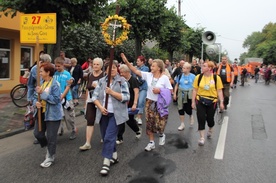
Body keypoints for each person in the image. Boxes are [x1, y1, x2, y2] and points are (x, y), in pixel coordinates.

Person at [121, 53, 173, 152]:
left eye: (153, 66)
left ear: (159, 68)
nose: (151, 67)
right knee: (149, 123)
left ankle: (162, 134)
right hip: (149, 102)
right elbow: (135, 70)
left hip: (160, 104)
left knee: (160, 124)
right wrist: (126, 62)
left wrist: (160, 91)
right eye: (151, 65)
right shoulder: (148, 75)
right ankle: (151, 142)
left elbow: (170, 91)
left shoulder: (164, 78)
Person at [92, 60, 130, 176]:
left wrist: (112, 93)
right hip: (104, 113)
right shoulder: (101, 81)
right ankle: (114, 156)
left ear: (117, 69)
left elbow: (126, 97)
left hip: (116, 115)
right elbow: (94, 97)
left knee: (109, 137)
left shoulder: (121, 81)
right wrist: (100, 107)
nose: (112, 70)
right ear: (106, 70)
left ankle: (106, 162)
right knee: (105, 136)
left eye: (114, 68)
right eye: (109, 68)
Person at [32, 62, 62, 168]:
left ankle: (50, 156)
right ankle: (49, 147)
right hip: (41, 113)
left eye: (41, 71)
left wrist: (43, 94)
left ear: (48, 72)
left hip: (53, 115)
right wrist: (36, 102)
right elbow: (35, 96)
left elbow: (56, 100)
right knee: (38, 134)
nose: (39, 73)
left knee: (51, 137)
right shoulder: (41, 83)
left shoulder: (55, 84)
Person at [192, 61, 224, 146]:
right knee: (201, 118)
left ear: (209, 68)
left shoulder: (216, 78)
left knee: (210, 119)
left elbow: (219, 91)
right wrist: (193, 102)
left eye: (204, 66)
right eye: (202, 66)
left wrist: (221, 102)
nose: (202, 67)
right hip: (200, 100)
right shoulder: (198, 77)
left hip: (212, 101)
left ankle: (210, 129)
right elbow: (195, 89)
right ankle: (202, 137)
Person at [79, 58, 105, 151]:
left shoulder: (104, 75)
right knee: (90, 120)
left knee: (102, 119)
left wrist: (97, 86)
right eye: (94, 64)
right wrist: (86, 102)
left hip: (101, 100)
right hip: (91, 100)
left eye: (98, 64)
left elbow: (107, 88)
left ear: (101, 66)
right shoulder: (90, 75)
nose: (95, 66)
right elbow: (87, 89)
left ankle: (105, 137)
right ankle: (87, 143)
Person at [27, 53, 51, 145]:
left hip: (48, 97)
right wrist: (30, 97)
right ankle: (40, 135)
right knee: (38, 117)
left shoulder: (51, 68)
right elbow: (30, 84)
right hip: (37, 97)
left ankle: (50, 136)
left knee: (49, 117)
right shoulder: (34, 70)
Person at [116, 64, 142, 144]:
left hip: (131, 103)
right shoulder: (120, 80)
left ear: (127, 72)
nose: (121, 74)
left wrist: (135, 104)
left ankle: (137, 130)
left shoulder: (133, 80)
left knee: (129, 120)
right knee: (121, 120)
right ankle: (120, 138)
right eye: (120, 73)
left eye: (122, 72)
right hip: (122, 102)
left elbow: (136, 92)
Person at [53, 57, 77, 140]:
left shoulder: (66, 74)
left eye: (59, 66)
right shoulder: (55, 74)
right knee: (58, 115)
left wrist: (62, 96)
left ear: (63, 65)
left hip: (67, 98)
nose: (57, 68)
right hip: (57, 98)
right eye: (56, 66)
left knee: (68, 116)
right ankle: (59, 130)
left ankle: (73, 130)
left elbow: (69, 84)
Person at [173, 62, 195, 131]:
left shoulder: (193, 76)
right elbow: (177, 84)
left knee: (188, 109)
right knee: (180, 109)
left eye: (184, 68)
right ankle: (182, 124)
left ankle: (190, 115)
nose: (183, 69)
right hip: (181, 93)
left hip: (189, 95)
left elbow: (196, 87)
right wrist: (174, 94)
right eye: (183, 67)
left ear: (188, 69)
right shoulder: (180, 76)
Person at [134, 56, 149, 125]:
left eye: (138, 61)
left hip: (143, 87)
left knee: (141, 101)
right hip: (136, 87)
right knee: (136, 102)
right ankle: (137, 116)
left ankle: (139, 118)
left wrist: (136, 75)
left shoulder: (145, 68)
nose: (137, 62)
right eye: (137, 61)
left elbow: (142, 78)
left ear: (142, 62)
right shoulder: (136, 68)